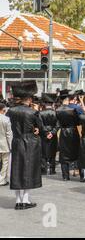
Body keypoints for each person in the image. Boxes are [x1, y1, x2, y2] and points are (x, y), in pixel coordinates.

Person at [7, 81, 43, 210]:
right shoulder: (32, 112)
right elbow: (41, 128)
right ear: (28, 98)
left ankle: (18, 200)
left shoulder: (10, 111)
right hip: (30, 142)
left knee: (17, 170)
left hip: (16, 141)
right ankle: (26, 200)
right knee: (29, 170)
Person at [56, 90, 81, 181]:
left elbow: (57, 123)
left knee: (63, 154)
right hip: (73, 131)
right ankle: (81, 174)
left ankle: (65, 176)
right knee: (76, 152)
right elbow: (78, 122)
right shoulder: (72, 110)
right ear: (67, 99)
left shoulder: (57, 110)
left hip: (63, 132)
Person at [38, 93, 59, 175]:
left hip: (43, 135)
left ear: (45, 103)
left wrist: (46, 133)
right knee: (53, 152)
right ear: (52, 103)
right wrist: (52, 133)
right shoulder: (56, 113)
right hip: (53, 135)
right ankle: (52, 169)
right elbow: (58, 125)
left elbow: (40, 125)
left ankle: (43, 169)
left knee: (43, 152)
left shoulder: (40, 113)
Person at [0, 103, 12, 186]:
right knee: (5, 162)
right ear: (3, 109)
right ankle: (1, 179)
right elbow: (9, 134)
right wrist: (11, 145)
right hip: (4, 144)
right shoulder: (6, 119)